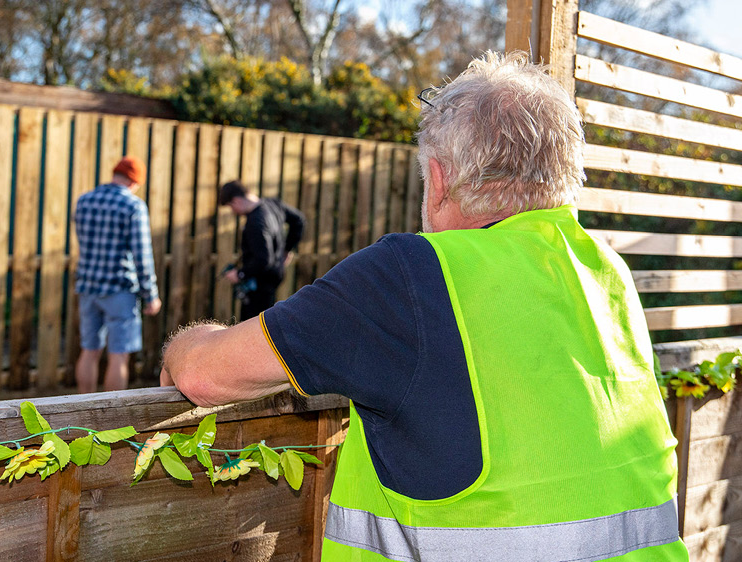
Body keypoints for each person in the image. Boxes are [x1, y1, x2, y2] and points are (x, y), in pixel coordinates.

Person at [161, 52, 687, 561]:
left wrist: (183, 342)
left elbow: (204, 375)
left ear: (438, 179)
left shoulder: (412, 275)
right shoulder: (606, 272)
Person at [74, 156, 161, 394]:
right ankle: (112, 420)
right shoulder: (133, 206)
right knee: (118, 356)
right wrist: (150, 294)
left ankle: (81, 410)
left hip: (88, 287)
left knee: (89, 351)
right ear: (134, 182)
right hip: (119, 290)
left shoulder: (84, 200)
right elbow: (142, 254)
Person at [218, 180, 305, 321]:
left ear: (236, 201)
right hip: (275, 275)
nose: (233, 212)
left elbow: (263, 260)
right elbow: (298, 220)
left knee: (252, 326)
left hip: (261, 284)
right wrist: (287, 250)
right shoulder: (272, 204)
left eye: (230, 207)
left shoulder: (256, 223)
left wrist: (240, 274)